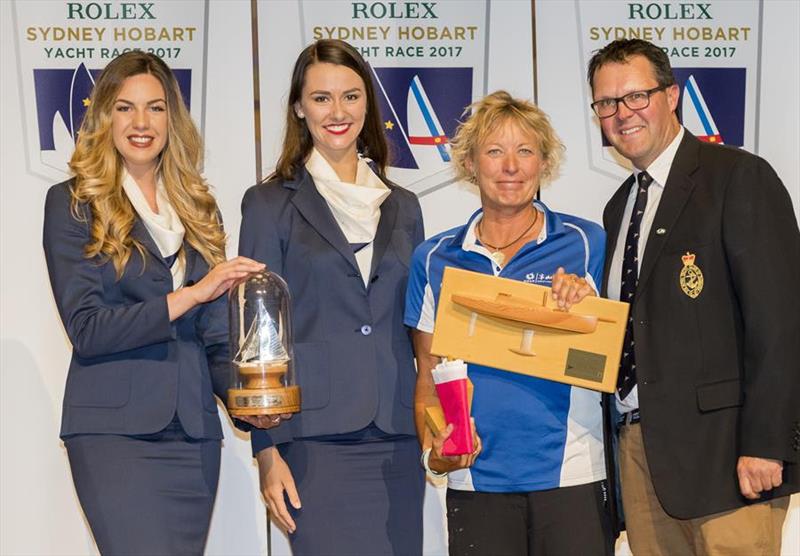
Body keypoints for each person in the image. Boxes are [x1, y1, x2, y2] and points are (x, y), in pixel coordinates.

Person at [42, 51, 270, 555]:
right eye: (125, 108)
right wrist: (187, 295)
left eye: (156, 108)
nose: (141, 123)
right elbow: (88, 329)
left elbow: (212, 337)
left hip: (192, 438)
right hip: (114, 437)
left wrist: (249, 401)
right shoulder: (74, 202)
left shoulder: (196, 205)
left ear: (174, 118)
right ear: (105, 117)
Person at [587, 38, 800, 554]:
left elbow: (781, 323)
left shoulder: (737, 178)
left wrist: (766, 445)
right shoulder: (618, 208)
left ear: (672, 95)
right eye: (607, 103)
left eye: (636, 96)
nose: (622, 113)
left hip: (728, 459)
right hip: (640, 454)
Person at [405, 90, 614, 555]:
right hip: (475, 480)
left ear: (544, 163)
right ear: (471, 165)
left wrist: (587, 307)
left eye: (525, 151)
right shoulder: (435, 258)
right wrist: (435, 454)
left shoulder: (587, 243)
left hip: (572, 475)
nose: (511, 167)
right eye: (495, 152)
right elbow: (427, 372)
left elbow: (616, 353)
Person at [238, 39, 426, 555]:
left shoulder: (405, 206)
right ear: (300, 107)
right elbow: (257, 337)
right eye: (321, 98)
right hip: (311, 437)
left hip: (396, 432)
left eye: (350, 96)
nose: (337, 112)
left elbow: (419, 323)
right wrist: (267, 449)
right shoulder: (267, 204)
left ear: (368, 104)